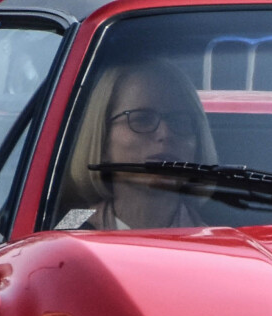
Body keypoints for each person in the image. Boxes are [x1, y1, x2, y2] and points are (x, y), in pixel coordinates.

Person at [57, 59, 215, 230]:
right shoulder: (67, 231)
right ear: (102, 139)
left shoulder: (218, 245)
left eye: (180, 121)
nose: (165, 134)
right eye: (142, 119)